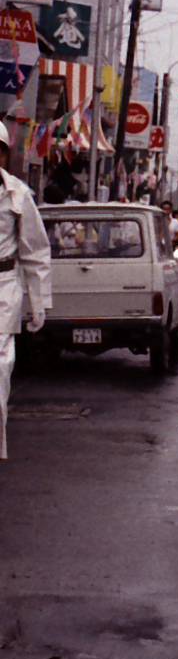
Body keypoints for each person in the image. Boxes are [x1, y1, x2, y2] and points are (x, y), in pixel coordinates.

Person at [0, 125, 50, 462]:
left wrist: (39, 303)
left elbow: (35, 251)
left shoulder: (18, 195)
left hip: (3, 289)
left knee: (0, 369)